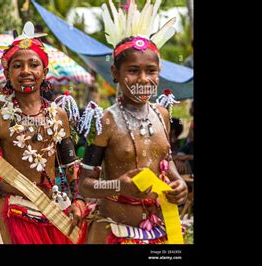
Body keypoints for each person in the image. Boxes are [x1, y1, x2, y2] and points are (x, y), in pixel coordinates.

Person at [78, 0, 188, 244]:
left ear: (159, 73)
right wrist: (118, 186)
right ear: (115, 73)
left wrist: (179, 182)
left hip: (159, 231)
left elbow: (165, 160)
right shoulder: (105, 120)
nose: (143, 79)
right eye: (133, 70)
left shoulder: (162, 114)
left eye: (151, 70)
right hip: (114, 232)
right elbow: (84, 185)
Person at [0, 22, 86, 244]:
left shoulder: (59, 115)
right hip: (13, 205)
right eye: (17, 66)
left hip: (52, 205)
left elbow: (69, 165)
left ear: (44, 72)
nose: (25, 71)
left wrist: (77, 200)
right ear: (7, 73)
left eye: (33, 64)